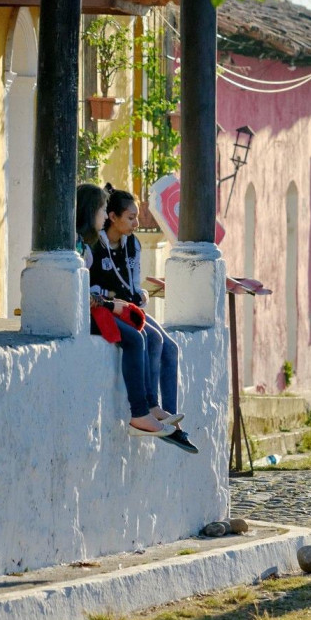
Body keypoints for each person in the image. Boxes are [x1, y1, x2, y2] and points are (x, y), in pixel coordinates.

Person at [89, 185, 198, 455]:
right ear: (111, 217)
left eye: (137, 217)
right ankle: (149, 407)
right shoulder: (95, 246)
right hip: (109, 310)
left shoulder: (132, 244)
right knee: (151, 338)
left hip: (127, 307)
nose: (136, 223)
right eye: (130, 217)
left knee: (170, 347)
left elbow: (133, 281)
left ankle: (167, 418)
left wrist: (139, 294)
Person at [75, 183, 173, 440]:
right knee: (138, 338)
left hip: (115, 307)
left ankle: (159, 412)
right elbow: (81, 293)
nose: (104, 214)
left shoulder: (89, 245)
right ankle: (141, 412)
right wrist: (108, 300)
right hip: (91, 313)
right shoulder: (85, 248)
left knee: (163, 342)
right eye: (101, 210)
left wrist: (132, 295)